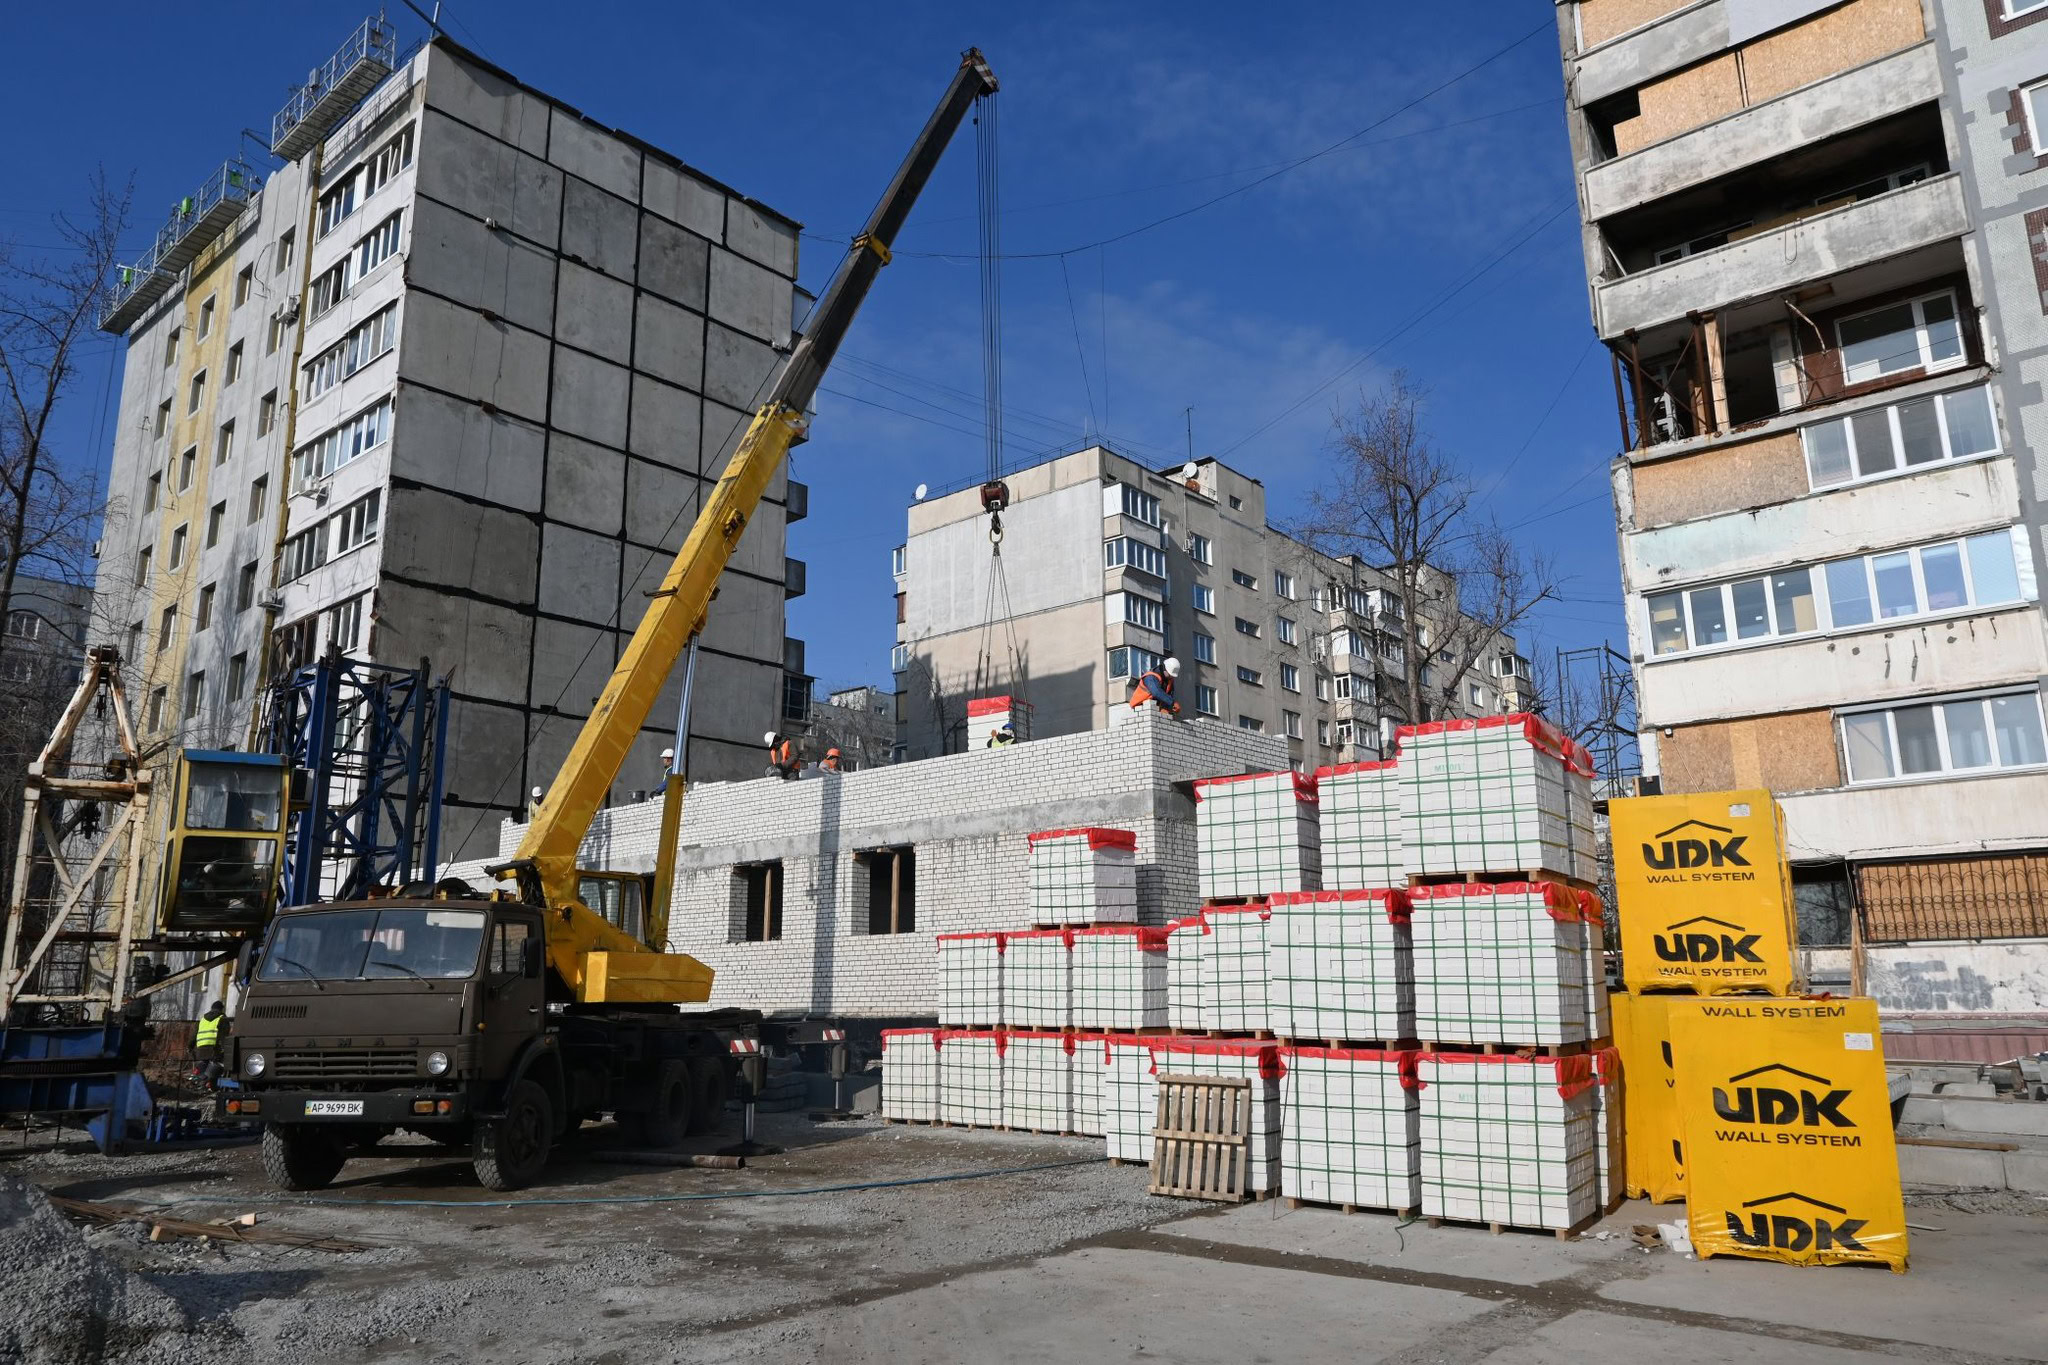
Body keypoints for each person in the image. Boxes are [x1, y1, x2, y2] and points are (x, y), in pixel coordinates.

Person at [192, 1001, 227, 1084]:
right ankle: (208, 1084)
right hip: (214, 1049)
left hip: (200, 1049)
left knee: (204, 1064)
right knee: (217, 1067)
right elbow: (224, 1035)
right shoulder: (222, 1018)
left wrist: (190, 1046)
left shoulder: (202, 1019)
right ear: (221, 1009)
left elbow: (194, 1035)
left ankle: (197, 1080)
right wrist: (224, 1048)